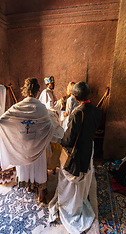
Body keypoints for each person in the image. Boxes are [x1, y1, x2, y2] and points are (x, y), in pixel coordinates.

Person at [48, 81, 101, 234]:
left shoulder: (78, 113)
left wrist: (60, 139)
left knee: (70, 180)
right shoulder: (97, 111)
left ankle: (70, 205)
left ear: (76, 97)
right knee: (83, 176)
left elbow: (69, 140)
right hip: (88, 149)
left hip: (76, 153)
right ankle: (79, 200)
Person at [0, 78, 54, 202]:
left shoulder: (18, 106)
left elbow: (1, 121)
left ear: (25, 90)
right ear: (37, 91)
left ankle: (28, 186)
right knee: (39, 167)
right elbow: (49, 126)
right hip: (38, 143)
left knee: (25, 164)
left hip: (23, 144)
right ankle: (41, 194)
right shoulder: (41, 107)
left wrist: (16, 131)